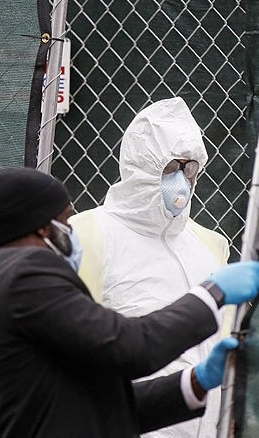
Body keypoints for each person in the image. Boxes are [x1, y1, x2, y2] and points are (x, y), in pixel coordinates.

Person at [0, 166, 259, 438]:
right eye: (65, 220)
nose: (71, 231)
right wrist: (213, 294)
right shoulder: (26, 277)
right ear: (43, 227)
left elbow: (96, 407)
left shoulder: (4, 285)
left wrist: (195, 382)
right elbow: (130, 346)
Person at [70, 96, 230, 437]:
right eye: (172, 167)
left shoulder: (209, 244)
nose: (183, 180)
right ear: (142, 166)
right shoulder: (88, 234)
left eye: (190, 168)